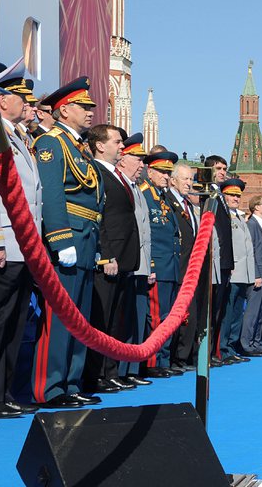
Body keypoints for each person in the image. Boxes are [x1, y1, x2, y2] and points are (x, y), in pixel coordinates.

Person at [32, 77, 104, 408]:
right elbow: (53, 193)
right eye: (84, 107)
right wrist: (60, 238)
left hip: (87, 237)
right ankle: (51, 388)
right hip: (69, 236)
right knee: (61, 316)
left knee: (80, 317)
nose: (90, 112)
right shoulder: (51, 142)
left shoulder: (79, 147)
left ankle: (72, 384)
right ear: (64, 110)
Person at [0, 61, 42, 418]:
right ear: (2, 101)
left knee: (15, 323)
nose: (27, 104)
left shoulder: (18, 137)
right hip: (6, 244)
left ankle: (7, 391)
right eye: (19, 97)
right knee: (1, 321)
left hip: (25, 246)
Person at [84, 124, 138, 394]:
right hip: (109, 258)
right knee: (101, 320)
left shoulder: (115, 174)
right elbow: (99, 216)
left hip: (125, 256)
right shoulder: (95, 171)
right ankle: (95, 375)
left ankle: (111, 371)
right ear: (100, 145)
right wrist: (106, 255)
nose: (121, 146)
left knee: (117, 320)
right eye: (117, 141)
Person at [138, 151, 181, 378]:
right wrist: (151, 265)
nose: (166, 176)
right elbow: (147, 234)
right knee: (156, 317)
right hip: (158, 265)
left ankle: (163, 358)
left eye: (168, 173)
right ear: (150, 171)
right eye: (163, 172)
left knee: (167, 317)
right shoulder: (145, 195)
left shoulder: (162, 198)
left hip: (171, 266)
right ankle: (154, 361)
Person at [115, 133, 153, 387]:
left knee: (134, 318)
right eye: (136, 159)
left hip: (138, 263)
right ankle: (117, 371)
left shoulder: (136, 188)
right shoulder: (121, 185)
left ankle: (130, 369)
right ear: (122, 159)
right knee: (120, 319)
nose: (141, 165)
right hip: (123, 261)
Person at [166, 162, 199, 371]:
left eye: (191, 179)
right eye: (185, 179)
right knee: (175, 315)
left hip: (190, 270)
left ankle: (184, 356)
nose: (189, 183)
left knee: (190, 315)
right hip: (177, 267)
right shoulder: (169, 201)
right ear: (174, 180)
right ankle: (173, 357)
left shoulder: (187, 205)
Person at [218, 178, 252, 364]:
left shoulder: (239, 216)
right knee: (228, 313)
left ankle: (231, 346)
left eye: (237, 196)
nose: (235, 199)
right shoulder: (225, 216)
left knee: (237, 312)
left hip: (243, 273)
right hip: (232, 270)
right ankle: (223, 348)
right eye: (231, 195)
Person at [203, 155, 233, 363]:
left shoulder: (219, 195)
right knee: (209, 310)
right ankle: (205, 353)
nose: (223, 172)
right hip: (213, 260)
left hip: (224, 261)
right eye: (219, 168)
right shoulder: (207, 193)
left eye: (224, 168)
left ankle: (214, 351)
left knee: (219, 310)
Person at [241, 194, 262, 356]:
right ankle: (247, 344)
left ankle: (256, 342)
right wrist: (256, 274)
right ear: (256, 207)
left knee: (261, 312)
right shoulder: (252, 225)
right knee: (252, 312)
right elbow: (251, 251)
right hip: (258, 275)